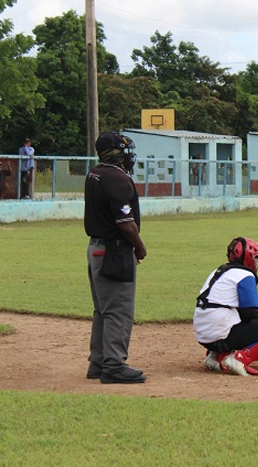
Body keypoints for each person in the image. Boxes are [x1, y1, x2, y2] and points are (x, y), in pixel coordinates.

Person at [84, 132, 147, 384]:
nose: (128, 156)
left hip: (96, 248)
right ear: (114, 153)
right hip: (114, 250)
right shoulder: (117, 180)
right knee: (119, 311)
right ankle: (113, 365)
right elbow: (126, 224)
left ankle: (98, 363)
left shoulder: (95, 173)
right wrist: (139, 247)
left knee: (103, 310)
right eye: (124, 151)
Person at [193, 237, 258, 376]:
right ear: (247, 258)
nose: (257, 261)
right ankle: (239, 359)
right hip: (220, 333)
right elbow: (248, 314)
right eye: (255, 257)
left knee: (234, 319)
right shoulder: (245, 274)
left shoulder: (219, 271)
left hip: (203, 335)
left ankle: (214, 357)